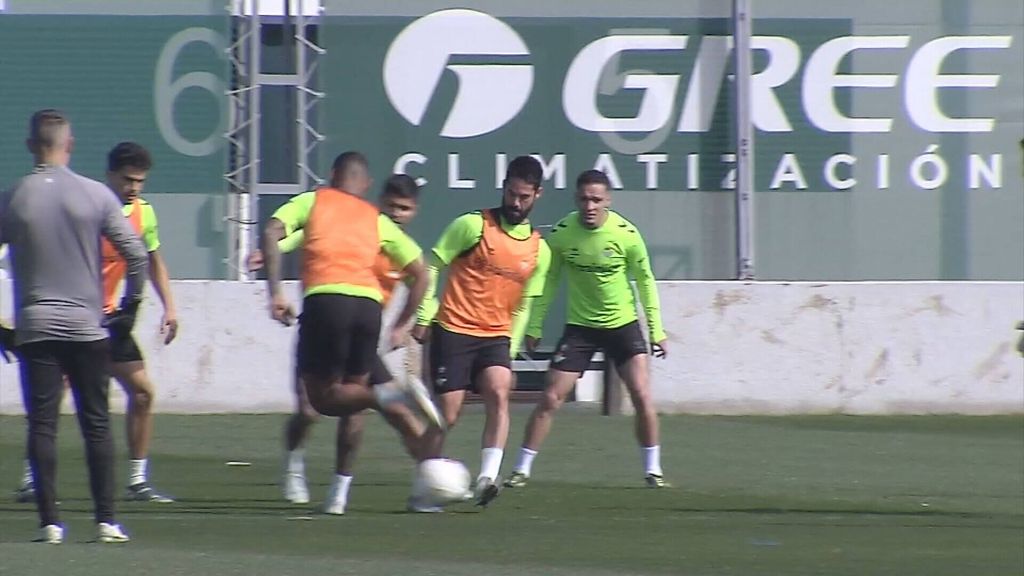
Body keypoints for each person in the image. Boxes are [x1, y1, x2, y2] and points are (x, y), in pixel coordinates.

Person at [0, 109, 146, 544]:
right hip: (87, 326)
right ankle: (106, 520)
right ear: (71, 144)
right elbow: (137, 255)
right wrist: (129, 310)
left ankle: (50, 523)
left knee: (42, 425)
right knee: (96, 422)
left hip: (37, 326)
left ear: (31, 146)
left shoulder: (13, 197)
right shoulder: (96, 195)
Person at [261, 152, 440, 508]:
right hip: (367, 315)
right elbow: (424, 272)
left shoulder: (318, 201)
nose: (397, 213)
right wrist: (404, 324)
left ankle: (420, 484)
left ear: (331, 175)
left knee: (327, 401)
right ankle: (298, 466)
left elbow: (273, 230)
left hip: (328, 308)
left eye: (404, 208)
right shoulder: (374, 221)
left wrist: (275, 289)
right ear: (370, 189)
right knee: (329, 409)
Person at [14, 142, 178, 504]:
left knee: (143, 392)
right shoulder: (87, 207)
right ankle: (31, 478)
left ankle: (137, 480)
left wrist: (169, 307)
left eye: (140, 181)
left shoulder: (143, 215)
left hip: (112, 320)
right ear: (110, 176)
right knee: (53, 396)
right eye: (128, 179)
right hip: (76, 318)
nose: (133, 188)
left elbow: (152, 260)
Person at [505, 169, 670, 489]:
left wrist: (656, 330)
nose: (590, 205)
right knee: (551, 398)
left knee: (641, 395)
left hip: (622, 325)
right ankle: (521, 469)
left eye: (596, 199)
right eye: (584, 199)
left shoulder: (626, 234)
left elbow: (646, 282)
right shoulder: (564, 233)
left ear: (608, 200)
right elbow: (548, 279)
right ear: (575, 200)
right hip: (581, 328)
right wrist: (535, 324)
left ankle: (653, 470)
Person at [411, 155, 551, 509]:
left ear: (538, 195)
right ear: (503, 188)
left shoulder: (539, 250)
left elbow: (523, 306)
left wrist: (510, 346)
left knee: (499, 390)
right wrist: (426, 315)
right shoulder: (472, 226)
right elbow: (433, 264)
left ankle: (488, 477)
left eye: (524, 197)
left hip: (495, 336)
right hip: (454, 329)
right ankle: (424, 488)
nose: (516, 203)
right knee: (449, 413)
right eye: (511, 194)